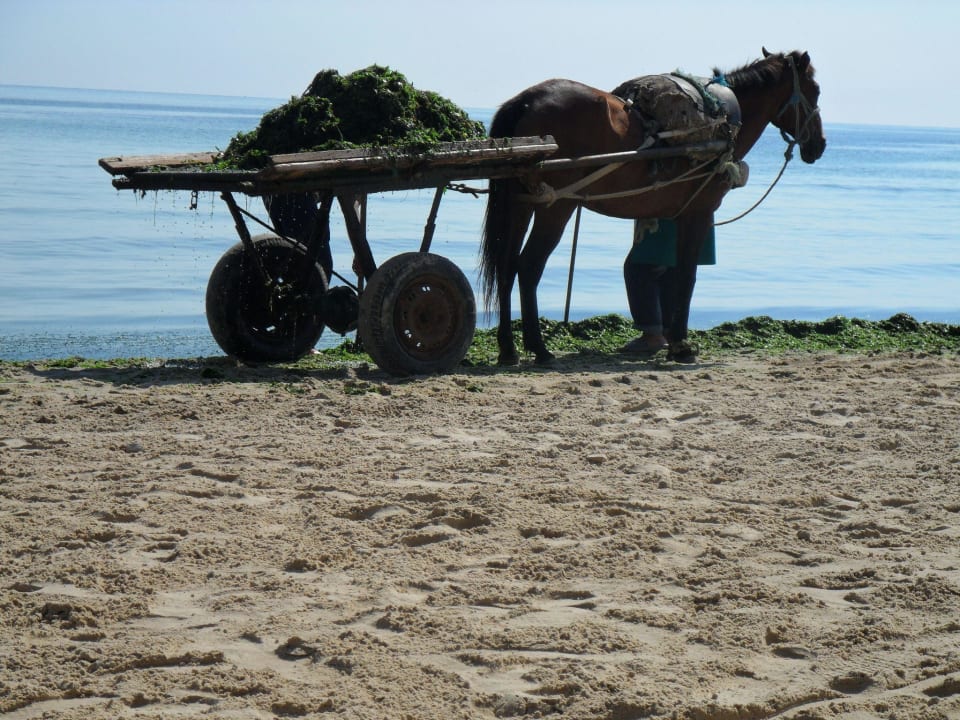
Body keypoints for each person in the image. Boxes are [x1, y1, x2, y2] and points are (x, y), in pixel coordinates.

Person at [619, 218, 716, 359]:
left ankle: (653, 335)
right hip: (694, 212)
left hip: (668, 209)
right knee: (673, 264)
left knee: (642, 265)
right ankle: (666, 332)